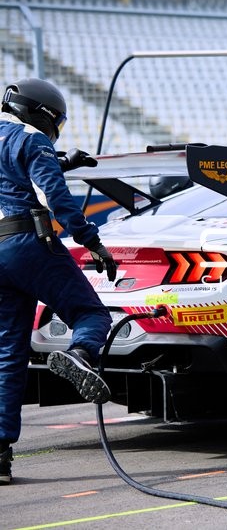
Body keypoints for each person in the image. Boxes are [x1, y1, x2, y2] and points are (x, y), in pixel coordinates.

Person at [0, 78, 117, 485]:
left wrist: (63, 159)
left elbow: (10, 174)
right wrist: (93, 242)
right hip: (27, 243)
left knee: (7, 354)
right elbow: (55, 197)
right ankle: (80, 354)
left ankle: (0, 455)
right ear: (43, 113)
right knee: (90, 313)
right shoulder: (32, 139)